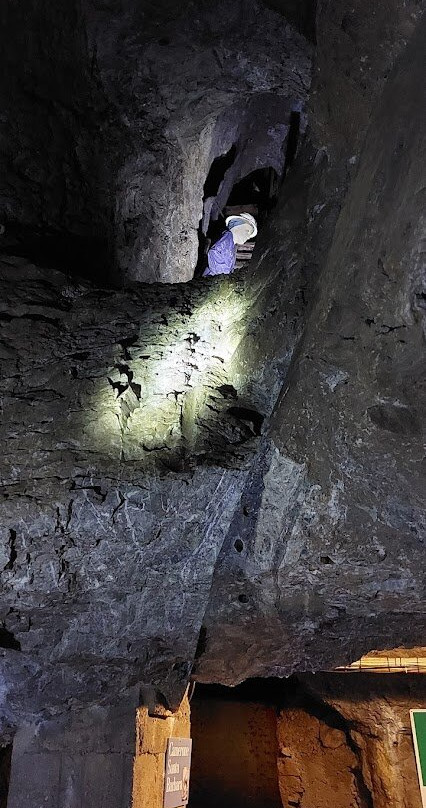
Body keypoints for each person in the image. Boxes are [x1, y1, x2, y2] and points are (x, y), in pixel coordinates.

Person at [202, 212, 257, 277]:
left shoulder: (232, 245)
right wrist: (222, 274)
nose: (248, 237)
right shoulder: (228, 237)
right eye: (247, 231)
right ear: (237, 226)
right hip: (211, 277)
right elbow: (214, 252)